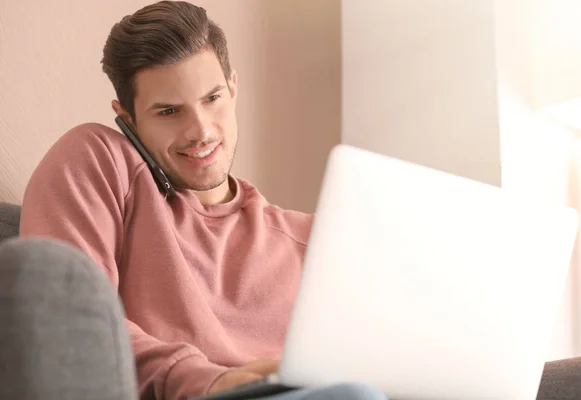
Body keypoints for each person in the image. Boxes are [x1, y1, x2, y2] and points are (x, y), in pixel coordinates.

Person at [18, 1, 387, 399]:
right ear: (127, 119)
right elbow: (68, 318)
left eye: (212, 99)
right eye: (170, 111)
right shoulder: (101, 162)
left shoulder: (313, 239)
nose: (200, 131)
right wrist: (209, 380)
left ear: (232, 89)